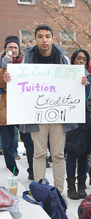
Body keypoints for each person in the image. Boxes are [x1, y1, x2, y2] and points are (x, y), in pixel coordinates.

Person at [4, 24, 88, 192]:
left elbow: (71, 83)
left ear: (52, 38)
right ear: (35, 38)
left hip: (59, 115)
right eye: (40, 36)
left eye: (47, 36)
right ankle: (40, 190)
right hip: (37, 115)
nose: (44, 39)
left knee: (58, 155)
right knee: (39, 154)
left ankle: (58, 192)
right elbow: (20, 82)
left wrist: (81, 82)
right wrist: (9, 78)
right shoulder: (28, 59)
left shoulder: (63, 59)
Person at [0, 35, 34, 180]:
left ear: (19, 49)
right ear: (5, 49)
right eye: (10, 47)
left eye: (15, 47)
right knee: (7, 144)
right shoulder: (1, 64)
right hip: (5, 106)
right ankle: (13, 171)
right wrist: (3, 68)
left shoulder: (26, 63)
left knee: (29, 141)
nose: (13, 50)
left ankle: (33, 170)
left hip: (23, 106)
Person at [64, 49, 91, 200]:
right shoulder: (66, 79)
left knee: (84, 153)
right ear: (73, 61)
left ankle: (82, 185)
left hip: (87, 121)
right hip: (71, 120)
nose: (81, 61)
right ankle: (71, 187)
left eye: (84, 59)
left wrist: (87, 85)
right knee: (72, 153)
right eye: (78, 58)